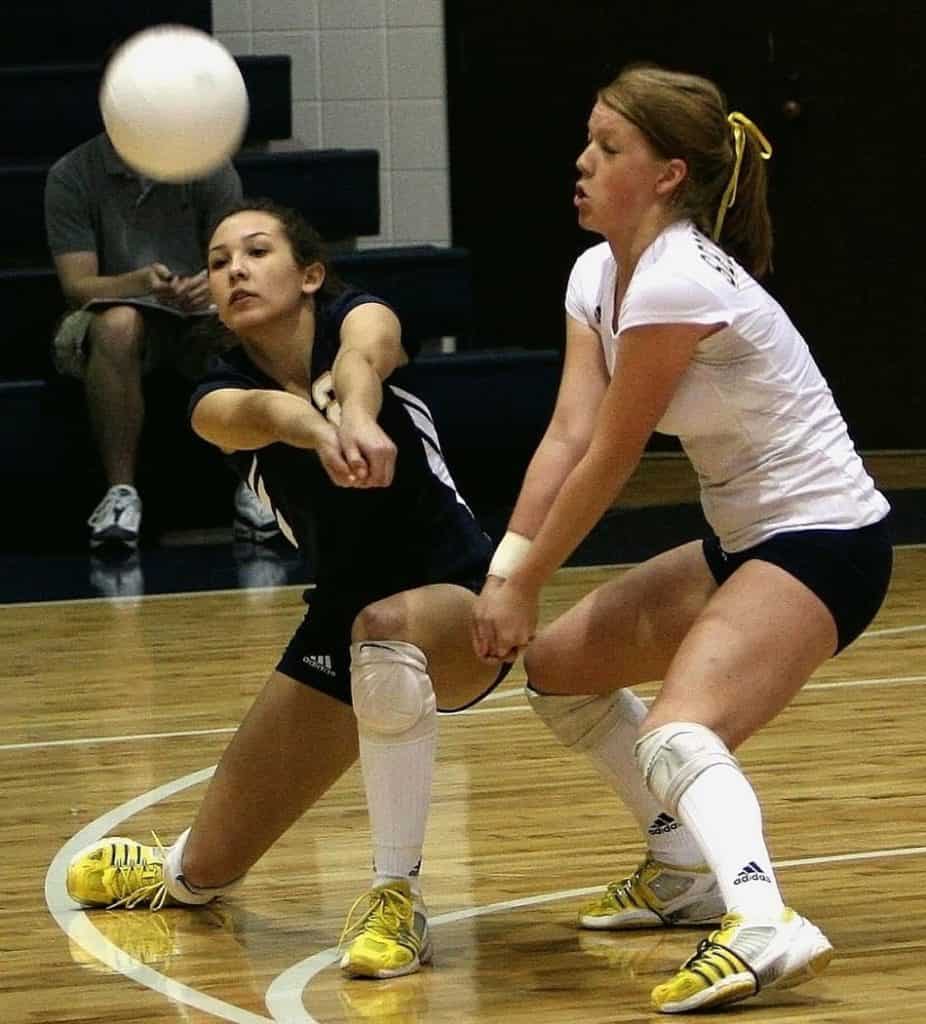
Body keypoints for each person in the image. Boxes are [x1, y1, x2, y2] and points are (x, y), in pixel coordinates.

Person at [472, 63, 892, 1014]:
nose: (580, 161)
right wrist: (507, 572)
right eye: (587, 140)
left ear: (668, 175)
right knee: (561, 668)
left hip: (826, 542)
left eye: (608, 147)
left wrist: (525, 580)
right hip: (747, 542)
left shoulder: (675, 279)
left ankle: (761, 921)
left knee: (677, 728)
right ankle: (682, 871)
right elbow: (567, 435)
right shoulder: (598, 273)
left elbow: (613, 456)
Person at [65, 198, 508, 980]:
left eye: (257, 250)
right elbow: (259, 413)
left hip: (465, 600)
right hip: (341, 616)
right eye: (218, 259)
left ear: (309, 275)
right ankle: (173, 869)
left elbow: (365, 358)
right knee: (205, 872)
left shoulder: (359, 317)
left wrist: (355, 414)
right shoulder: (214, 393)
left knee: (386, 625)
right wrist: (315, 427)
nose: (234, 267)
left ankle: (395, 895)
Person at [44, 130, 278, 548]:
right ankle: (120, 496)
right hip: (113, 311)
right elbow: (78, 286)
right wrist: (139, 284)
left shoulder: (210, 166)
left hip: (196, 314)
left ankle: (255, 486)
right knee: (118, 325)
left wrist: (211, 282)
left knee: (246, 318)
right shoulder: (73, 173)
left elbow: (235, 257)